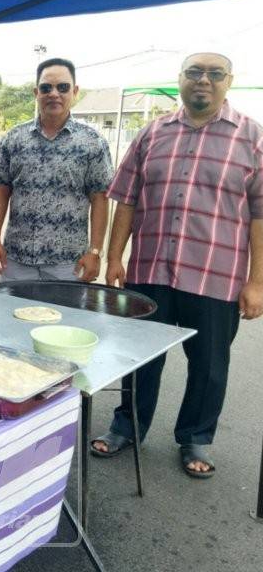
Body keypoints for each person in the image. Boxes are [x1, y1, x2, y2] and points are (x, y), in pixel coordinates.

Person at [91, 52, 263, 478]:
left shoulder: (253, 139)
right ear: (181, 79)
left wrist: (257, 281)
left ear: (229, 81)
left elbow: (260, 216)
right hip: (151, 270)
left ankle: (195, 438)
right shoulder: (152, 133)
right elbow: (126, 199)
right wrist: (115, 257)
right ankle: (127, 425)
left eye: (214, 74)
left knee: (208, 365)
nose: (203, 81)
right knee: (140, 356)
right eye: (194, 72)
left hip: (215, 276)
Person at [0, 57, 113, 282]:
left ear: (74, 91)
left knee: (66, 318)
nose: (54, 93)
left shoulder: (93, 142)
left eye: (62, 87)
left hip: (68, 264)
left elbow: (101, 198)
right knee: (10, 317)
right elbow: (0, 190)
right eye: (46, 88)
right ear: (36, 92)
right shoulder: (14, 139)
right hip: (16, 260)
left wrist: (95, 251)